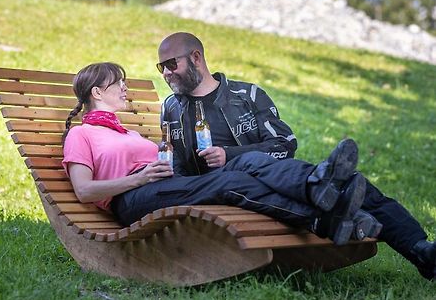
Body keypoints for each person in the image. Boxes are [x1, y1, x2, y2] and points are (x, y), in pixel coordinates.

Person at [158, 32, 436, 281]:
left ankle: (420, 249)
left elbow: (285, 144)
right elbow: (178, 166)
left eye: (171, 64)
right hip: (223, 190)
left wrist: (229, 153)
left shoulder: (247, 95)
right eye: (162, 68)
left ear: (196, 57)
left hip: (274, 180)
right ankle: (321, 185)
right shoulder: (171, 108)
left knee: (353, 185)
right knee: (254, 165)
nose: (166, 74)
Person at [62, 62, 370, 247]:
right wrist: (139, 178)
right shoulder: (81, 134)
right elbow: (84, 190)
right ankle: (322, 215)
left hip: (162, 189)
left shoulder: (127, 133)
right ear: (97, 93)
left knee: (241, 169)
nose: (125, 87)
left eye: (124, 81)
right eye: (117, 82)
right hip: (132, 201)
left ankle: (321, 195)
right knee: (228, 183)